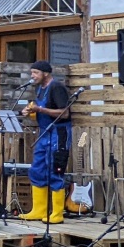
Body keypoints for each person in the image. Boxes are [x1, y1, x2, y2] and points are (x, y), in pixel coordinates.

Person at [19, 59, 72, 224]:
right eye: (32, 73)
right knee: (37, 169)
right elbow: (41, 113)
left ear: (46, 73)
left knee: (55, 170)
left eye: (35, 73)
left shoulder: (57, 87)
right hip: (44, 133)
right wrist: (30, 112)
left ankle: (57, 213)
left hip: (58, 133)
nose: (32, 76)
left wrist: (39, 109)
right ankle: (39, 210)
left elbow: (64, 113)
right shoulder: (39, 89)